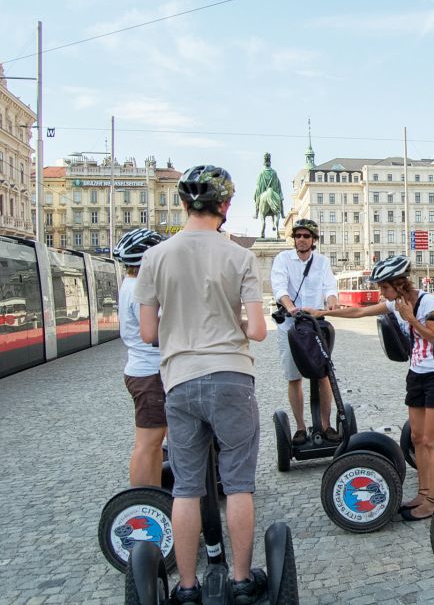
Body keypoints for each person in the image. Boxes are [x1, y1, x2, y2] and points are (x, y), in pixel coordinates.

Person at [136, 164, 268, 604]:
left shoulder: (155, 257)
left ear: (182, 204)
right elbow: (258, 329)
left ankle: (188, 588)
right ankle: (243, 580)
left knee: (188, 487)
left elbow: (149, 333)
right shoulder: (240, 257)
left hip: (180, 380)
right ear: (226, 206)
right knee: (238, 484)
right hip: (231, 375)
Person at [321, 255, 434, 521]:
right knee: (416, 438)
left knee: (432, 441)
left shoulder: (427, 301)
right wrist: (322, 312)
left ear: (398, 283)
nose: (381, 292)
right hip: (416, 375)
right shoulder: (394, 302)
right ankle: (423, 492)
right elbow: (359, 311)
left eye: (384, 287)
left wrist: (411, 319)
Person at [271, 218, 340, 446]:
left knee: (323, 375)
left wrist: (332, 303)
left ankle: (327, 424)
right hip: (291, 327)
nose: (301, 240)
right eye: (298, 236)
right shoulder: (283, 259)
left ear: (313, 240)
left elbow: (330, 287)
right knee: (294, 377)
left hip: (316, 326)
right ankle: (301, 427)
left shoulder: (321, 261)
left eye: (306, 236)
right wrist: (290, 308)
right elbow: (279, 286)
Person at [114, 228, 166, 487]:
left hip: (144, 370)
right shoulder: (140, 291)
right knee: (148, 443)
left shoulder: (130, 284)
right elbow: (153, 333)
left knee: (155, 445)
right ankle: (139, 501)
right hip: (150, 373)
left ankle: (154, 498)